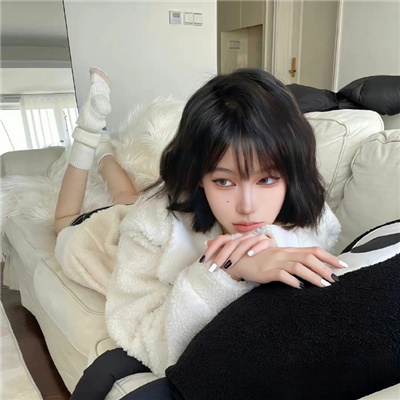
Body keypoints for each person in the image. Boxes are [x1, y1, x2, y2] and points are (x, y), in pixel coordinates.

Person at [54, 67, 347, 399]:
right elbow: (148, 341)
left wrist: (261, 250)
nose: (247, 207)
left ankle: (106, 148)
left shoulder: (307, 207)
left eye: (266, 179)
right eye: (224, 181)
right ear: (199, 178)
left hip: (142, 210)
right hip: (101, 239)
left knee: (126, 195)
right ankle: (89, 136)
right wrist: (222, 270)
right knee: (65, 220)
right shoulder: (150, 224)